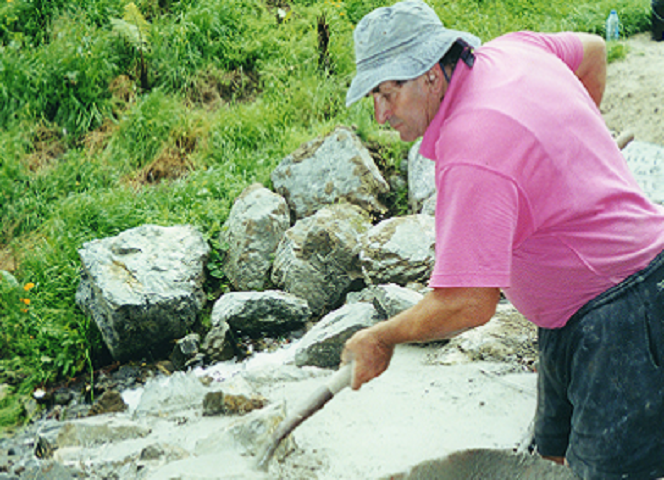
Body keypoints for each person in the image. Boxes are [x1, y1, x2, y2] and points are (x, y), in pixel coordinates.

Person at [340, 1, 664, 479]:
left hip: (624, 313)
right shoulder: (513, 50)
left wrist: (381, 337)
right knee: (546, 460)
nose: (380, 114)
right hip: (566, 313)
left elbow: (468, 303)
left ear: (430, 74)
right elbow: (593, 53)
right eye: (373, 96)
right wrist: (570, 151)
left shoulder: (472, 147)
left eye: (389, 94)